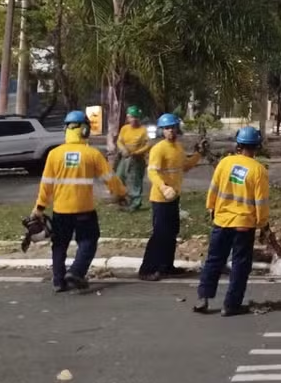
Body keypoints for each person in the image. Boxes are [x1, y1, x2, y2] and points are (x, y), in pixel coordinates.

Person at [31, 110, 128, 292]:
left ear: (66, 129)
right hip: (84, 209)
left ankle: (58, 281)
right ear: (84, 130)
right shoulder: (92, 154)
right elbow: (110, 178)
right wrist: (122, 193)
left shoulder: (54, 154)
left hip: (61, 210)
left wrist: (39, 208)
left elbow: (46, 185)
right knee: (89, 240)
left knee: (59, 245)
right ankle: (76, 272)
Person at [193, 126, 270, 316]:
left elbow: (213, 189)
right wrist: (262, 224)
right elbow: (261, 202)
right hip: (244, 225)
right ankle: (231, 305)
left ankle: (203, 298)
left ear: (238, 144)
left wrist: (211, 207)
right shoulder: (258, 170)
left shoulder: (224, 163)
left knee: (214, 261)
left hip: (222, 221)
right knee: (240, 265)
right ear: (256, 147)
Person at [139, 113, 203, 281]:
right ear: (162, 130)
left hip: (174, 197)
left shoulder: (178, 148)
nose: (170, 131)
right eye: (167, 128)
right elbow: (152, 171)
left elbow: (185, 166)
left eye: (173, 127)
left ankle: (166, 266)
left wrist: (198, 154)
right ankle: (147, 269)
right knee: (159, 234)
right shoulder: (158, 149)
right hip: (161, 198)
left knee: (171, 233)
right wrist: (163, 187)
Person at [115, 105, 150, 211]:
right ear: (128, 118)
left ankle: (135, 203)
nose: (133, 119)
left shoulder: (143, 130)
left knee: (135, 181)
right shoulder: (124, 129)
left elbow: (148, 144)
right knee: (119, 177)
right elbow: (119, 141)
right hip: (125, 157)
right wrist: (122, 149)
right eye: (131, 117)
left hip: (137, 159)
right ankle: (122, 199)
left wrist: (137, 152)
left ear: (139, 118)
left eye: (135, 117)